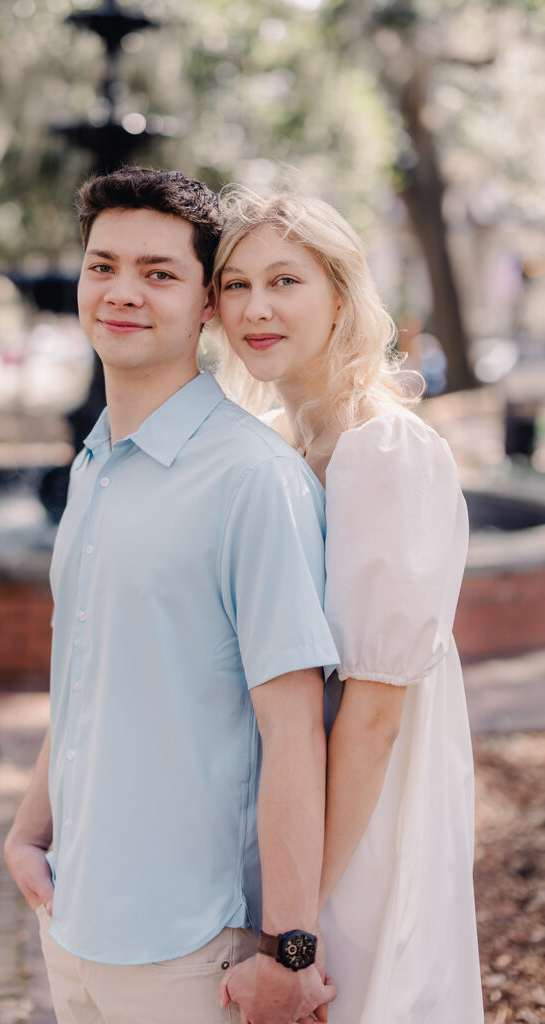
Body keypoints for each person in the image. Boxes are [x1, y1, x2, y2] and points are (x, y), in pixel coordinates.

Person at [4, 167, 340, 1024]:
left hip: (188, 950)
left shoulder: (251, 481)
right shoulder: (93, 467)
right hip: (70, 918)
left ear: (206, 306)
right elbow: (85, 671)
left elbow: (294, 731)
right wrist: (27, 829)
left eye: (158, 273)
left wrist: (288, 953)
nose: (121, 293)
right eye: (102, 265)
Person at [215, 186, 484, 1024]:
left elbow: (371, 715)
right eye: (233, 284)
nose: (256, 307)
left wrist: (295, 928)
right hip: (304, 808)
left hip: (362, 825)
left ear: (340, 293)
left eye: (285, 281)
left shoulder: (383, 450)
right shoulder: (276, 438)